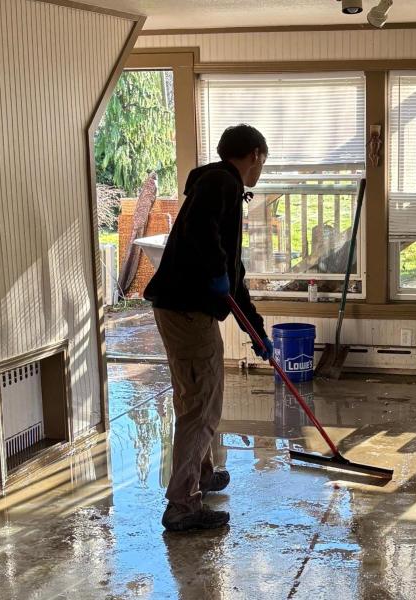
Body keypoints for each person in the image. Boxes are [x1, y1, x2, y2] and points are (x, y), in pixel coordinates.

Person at [144, 124, 273, 532]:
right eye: (263, 162)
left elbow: (232, 276)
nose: (261, 170)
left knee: (193, 399)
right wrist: (217, 272)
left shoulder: (221, 186)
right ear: (254, 154)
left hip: (181, 309)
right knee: (202, 406)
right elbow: (205, 236)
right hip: (187, 311)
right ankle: (182, 504)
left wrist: (256, 330)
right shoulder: (221, 182)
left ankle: (199, 474)